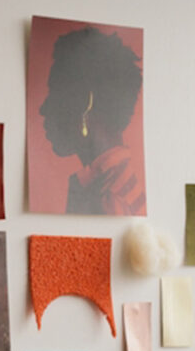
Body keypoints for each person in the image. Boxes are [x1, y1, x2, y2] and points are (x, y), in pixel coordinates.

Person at [37, 25, 145, 215]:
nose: (43, 109)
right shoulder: (106, 186)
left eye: (55, 93)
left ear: (85, 102)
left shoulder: (109, 198)